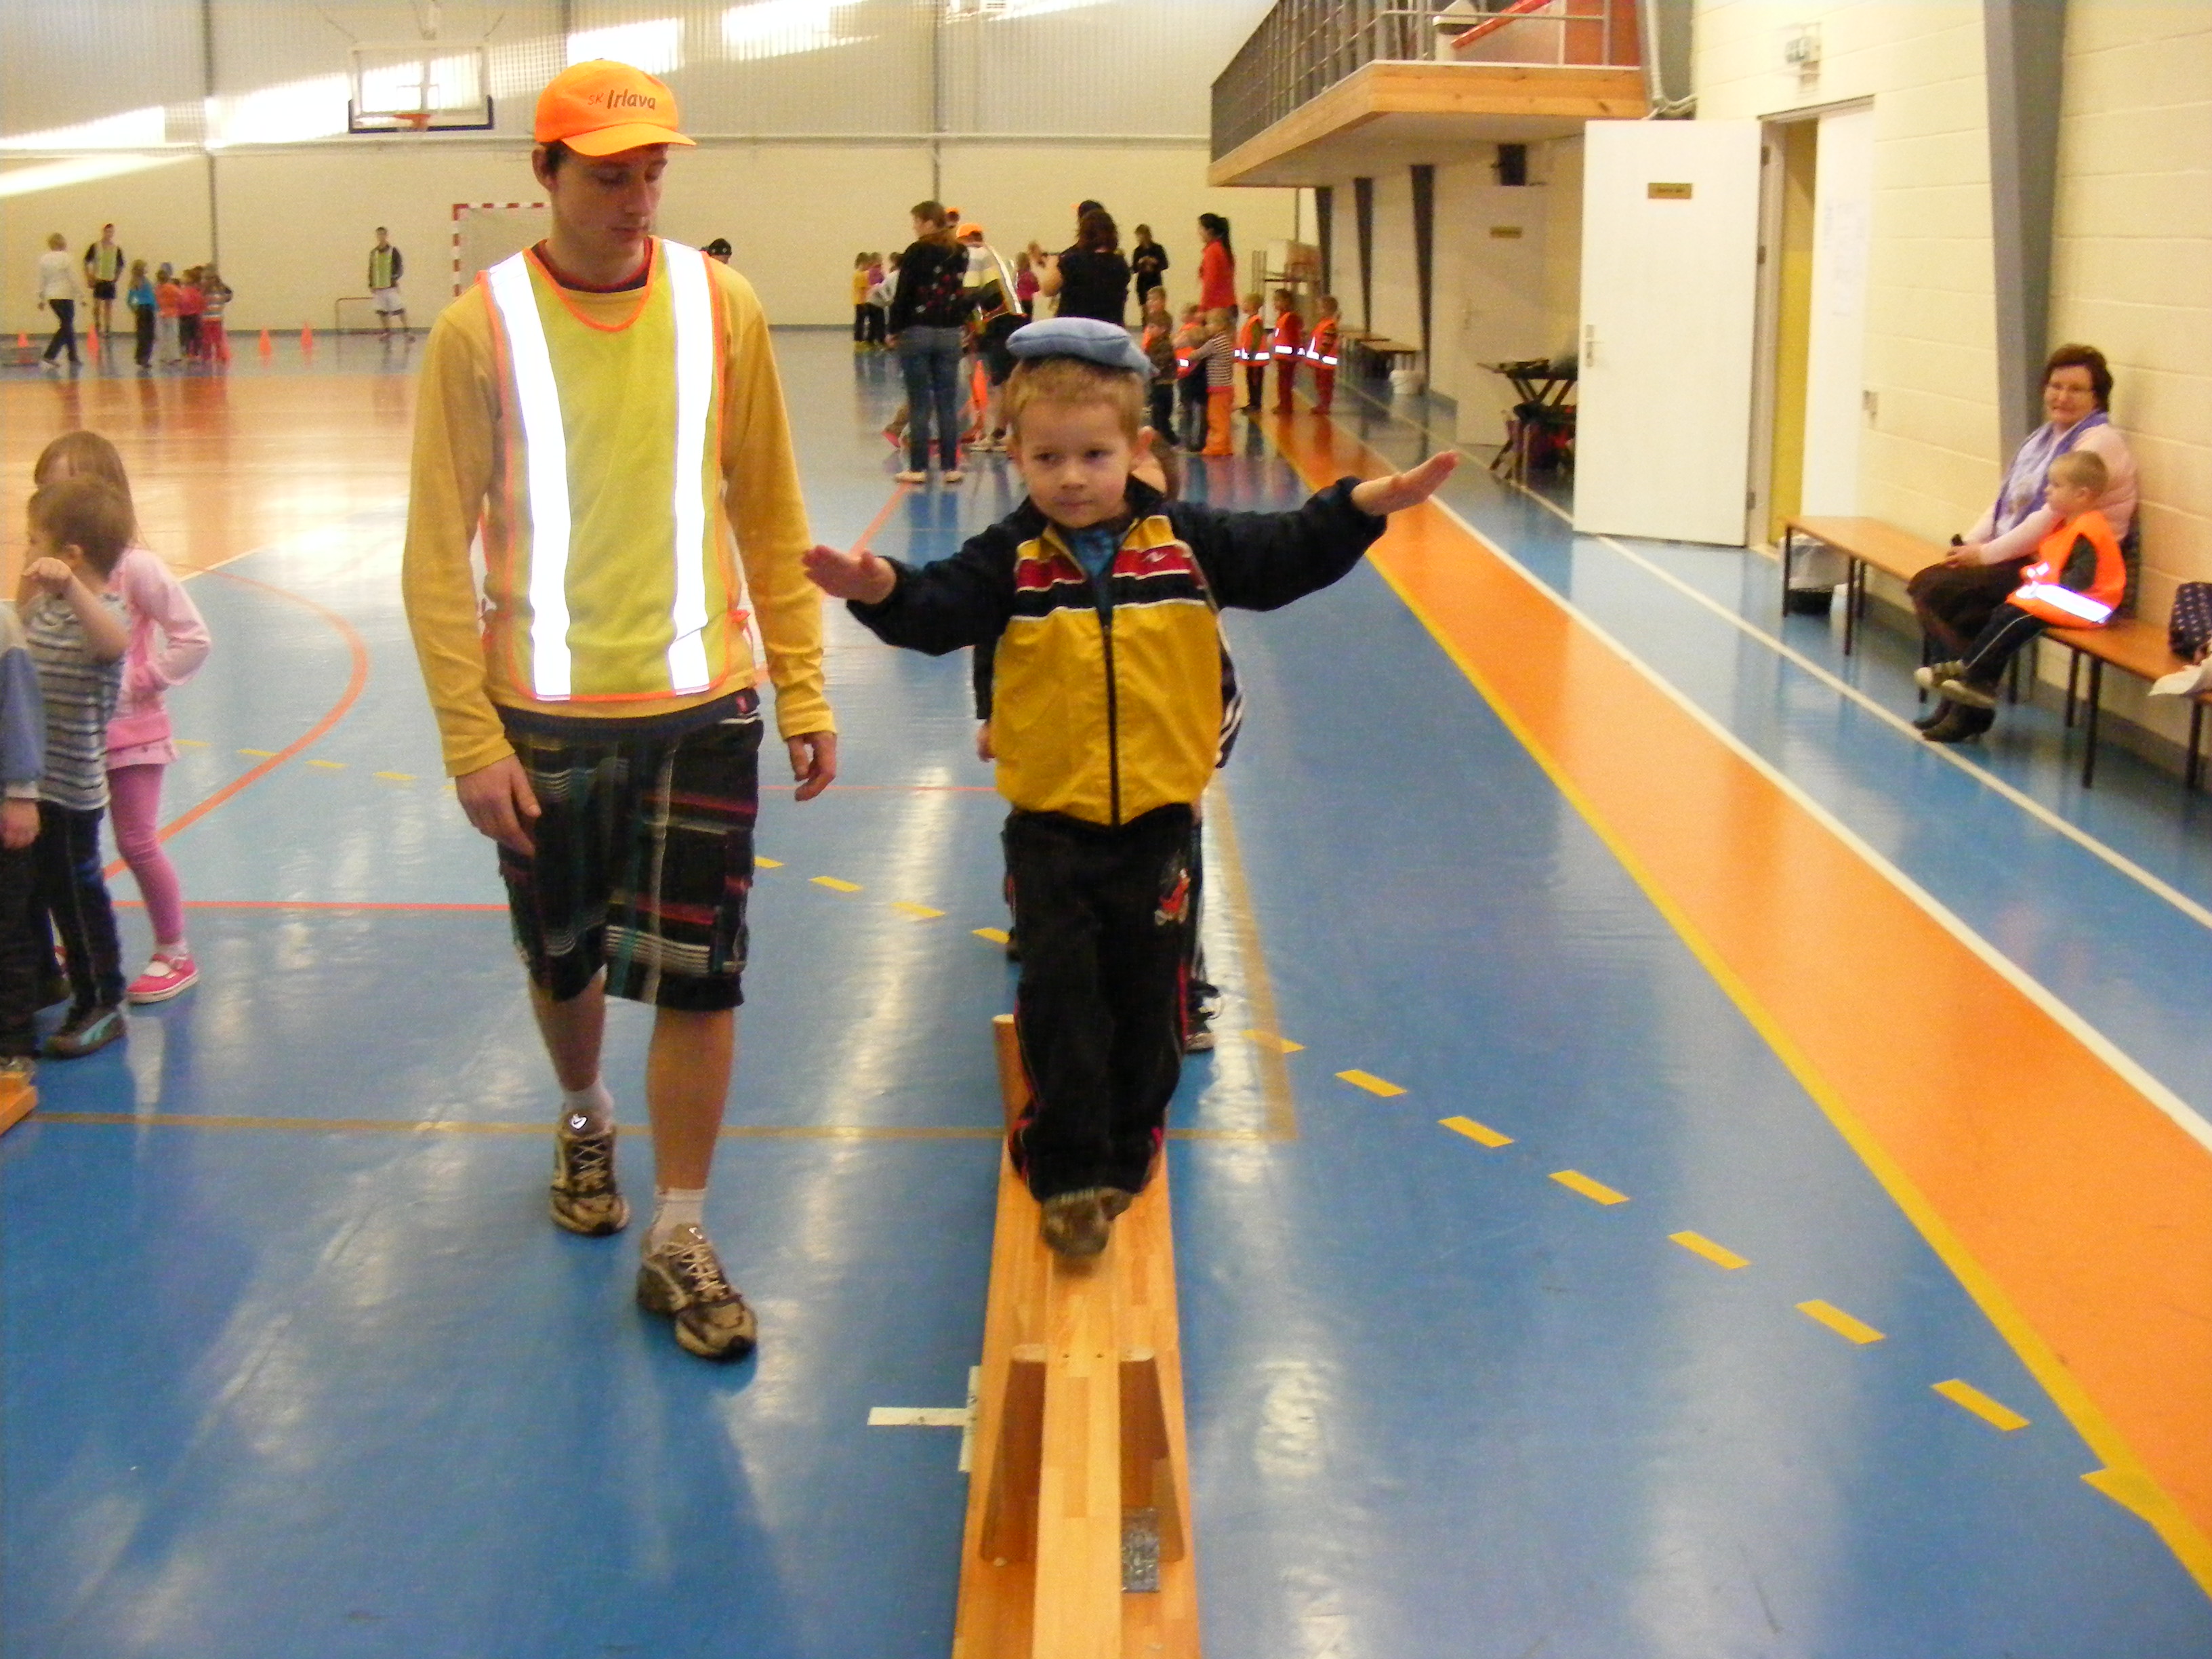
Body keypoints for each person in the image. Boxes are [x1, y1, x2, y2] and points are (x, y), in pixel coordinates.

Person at [801, 316, 1456, 1257]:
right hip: (1051, 829)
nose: (1072, 478)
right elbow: (939, 608)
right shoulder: (1012, 559)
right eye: (1048, 458)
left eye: (1094, 455)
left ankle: (1129, 1145)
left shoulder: (1187, 542)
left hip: (1158, 826)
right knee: (1063, 1000)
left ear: (1137, 449)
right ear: (1016, 455)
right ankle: (1069, 1170)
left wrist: (1362, 505)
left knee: (1152, 1005)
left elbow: (1284, 552)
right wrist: (878, 587)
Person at [401, 59, 839, 1363]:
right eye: (606, 176)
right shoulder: (479, 328)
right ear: (543, 174)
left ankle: (681, 1229)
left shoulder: (722, 305)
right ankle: (586, 1112)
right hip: (542, 717)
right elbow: (434, 553)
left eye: (651, 172)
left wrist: (802, 680)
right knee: (565, 959)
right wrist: (469, 738)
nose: (636, 197)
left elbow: (770, 506)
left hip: (703, 703)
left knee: (702, 976)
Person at [33, 432, 212, 1002]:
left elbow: (193, 639)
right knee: (61, 852)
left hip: (131, 735)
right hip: (68, 737)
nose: (50, 501)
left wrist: (141, 681)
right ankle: (75, 950)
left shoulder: (138, 568)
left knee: (136, 841)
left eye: (62, 488)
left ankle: (174, 950)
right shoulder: (48, 568)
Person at [1898, 344, 2136, 661]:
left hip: (2070, 578)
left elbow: (2047, 518)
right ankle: (1962, 677)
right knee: (1935, 587)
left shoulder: (2099, 443)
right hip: (2034, 559)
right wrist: (1969, 543)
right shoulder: (2042, 439)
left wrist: (1984, 555)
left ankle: (1967, 677)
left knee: (1939, 591)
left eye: (2076, 389)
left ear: (2097, 398)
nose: (2062, 397)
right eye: (2056, 386)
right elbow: (2004, 502)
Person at [18, 474, 131, 1059]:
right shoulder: (44, 612)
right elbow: (17, 630)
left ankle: (102, 999)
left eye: (34, 541)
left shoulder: (103, 613)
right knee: (33, 893)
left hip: (70, 794)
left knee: (77, 900)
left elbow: (114, 646)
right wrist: (39, 579)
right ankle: (48, 978)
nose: (27, 550)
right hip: (32, 787)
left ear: (72, 555)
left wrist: (71, 587)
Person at [1914, 451, 2125, 745]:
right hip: (2065, 599)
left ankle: (1971, 671)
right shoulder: (2069, 526)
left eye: (2056, 485)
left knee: (2020, 617)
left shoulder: (2088, 530)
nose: (2047, 490)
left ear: (2082, 495)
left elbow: (2080, 581)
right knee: (2007, 609)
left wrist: (2044, 586)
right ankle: (1973, 672)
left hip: (2088, 606)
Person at [887, 199, 973, 486]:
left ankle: (919, 467)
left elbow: (904, 293)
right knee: (947, 402)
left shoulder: (917, 251)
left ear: (927, 222)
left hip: (918, 330)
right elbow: (959, 292)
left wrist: (894, 329)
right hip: (949, 332)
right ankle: (951, 466)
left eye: (916, 221)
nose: (914, 227)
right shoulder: (959, 252)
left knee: (920, 401)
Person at [0, 586, 43, 1072]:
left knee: (6, 929)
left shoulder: (3, 626)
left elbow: (20, 713)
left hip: (3, 807)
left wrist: (21, 794)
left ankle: (12, 1044)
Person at [961, 224, 1026, 451]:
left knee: (1001, 382)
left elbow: (968, 295)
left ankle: (999, 435)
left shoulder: (973, 255)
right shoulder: (1000, 256)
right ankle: (1007, 433)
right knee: (1010, 379)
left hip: (1000, 321)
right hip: (1017, 318)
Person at [1031, 208, 1130, 325]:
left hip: (1074, 328)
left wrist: (1051, 264)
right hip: (1109, 329)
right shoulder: (1120, 265)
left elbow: (1048, 290)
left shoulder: (1072, 262)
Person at [1189, 308, 1236, 457]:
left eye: (1210, 323)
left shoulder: (1215, 343)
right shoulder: (1227, 341)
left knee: (1216, 419)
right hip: (1227, 388)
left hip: (1218, 388)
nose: (1207, 327)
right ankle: (1225, 446)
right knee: (1224, 419)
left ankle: (1216, 447)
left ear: (1220, 326)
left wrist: (1187, 352)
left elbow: (1196, 355)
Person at [36, 232, 81, 371]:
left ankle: (73, 356)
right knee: (67, 325)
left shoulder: (44, 259)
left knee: (67, 324)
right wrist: (81, 295)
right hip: (65, 295)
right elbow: (73, 278)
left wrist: (41, 298)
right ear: (62, 243)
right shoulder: (66, 258)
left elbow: (42, 280)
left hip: (52, 297)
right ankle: (50, 355)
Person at [1139, 290, 1177, 443]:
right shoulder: (1153, 342)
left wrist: (1150, 368)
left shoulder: (1164, 345)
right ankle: (1159, 437)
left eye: (1153, 327)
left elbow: (1161, 362)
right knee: (1156, 413)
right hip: (1155, 381)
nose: (1149, 329)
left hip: (1163, 383)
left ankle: (1168, 438)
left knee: (1161, 414)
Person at [1172, 304, 1206, 451]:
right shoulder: (1201, 332)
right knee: (1201, 412)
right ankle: (1200, 442)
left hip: (1185, 375)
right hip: (1196, 376)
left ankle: (1188, 442)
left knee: (1188, 412)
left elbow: (1175, 345)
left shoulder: (1188, 331)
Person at [82, 224, 124, 342]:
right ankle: (97, 326)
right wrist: (89, 276)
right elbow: (86, 261)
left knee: (108, 306)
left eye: (111, 232)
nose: (109, 234)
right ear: (103, 232)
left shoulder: (116, 249)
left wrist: (116, 278)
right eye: (107, 232)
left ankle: (108, 329)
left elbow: (121, 265)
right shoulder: (95, 247)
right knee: (97, 305)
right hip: (98, 280)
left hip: (110, 280)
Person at [1303, 295, 1342, 415]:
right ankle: (1321, 403)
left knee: (1325, 385)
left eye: (1319, 308)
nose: (1317, 311)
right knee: (1320, 384)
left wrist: (1321, 354)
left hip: (1325, 363)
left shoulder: (1329, 326)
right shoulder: (1322, 324)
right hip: (1319, 363)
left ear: (1327, 310)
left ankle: (1325, 405)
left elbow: (1327, 343)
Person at [1269, 289, 1305, 415]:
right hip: (1282, 356)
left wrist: (1293, 354)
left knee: (1285, 382)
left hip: (1288, 357)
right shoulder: (1282, 317)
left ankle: (1286, 406)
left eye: (1278, 300)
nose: (1275, 303)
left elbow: (1293, 338)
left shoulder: (1290, 318)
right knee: (1282, 382)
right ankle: (1283, 404)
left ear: (1287, 301)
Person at [1195, 213, 1236, 314]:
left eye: (1201, 228)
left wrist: (1203, 307)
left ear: (1210, 231)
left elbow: (1211, 281)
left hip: (1216, 307)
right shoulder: (1223, 249)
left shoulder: (1213, 251)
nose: (1199, 232)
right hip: (1228, 304)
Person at [369, 228, 407, 335]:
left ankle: (407, 330)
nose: (380, 237)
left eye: (382, 235)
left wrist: (394, 278)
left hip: (391, 287)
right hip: (378, 286)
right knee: (382, 311)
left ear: (386, 235)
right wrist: (371, 283)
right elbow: (371, 268)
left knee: (399, 308)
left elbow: (399, 267)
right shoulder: (374, 253)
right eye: (378, 235)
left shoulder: (393, 251)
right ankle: (387, 331)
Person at [1235, 291, 1267, 414]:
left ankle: (1256, 404)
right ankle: (1252, 402)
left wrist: (1251, 353)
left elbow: (1256, 339)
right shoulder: (1250, 321)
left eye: (1245, 303)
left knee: (1255, 382)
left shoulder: (1255, 321)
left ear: (1252, 305)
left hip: (1255, 360)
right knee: (1251, 381)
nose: (1243, 305)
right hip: (1251, 360)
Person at [197, 266, 232, 364]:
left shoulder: (218, 289)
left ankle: (215, 357)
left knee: (214, 340)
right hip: (210, 319)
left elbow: (228, 296)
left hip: (213, 319)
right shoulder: (205, 291)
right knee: (210, 340)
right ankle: (211, 357)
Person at [125, 260, 156, 371]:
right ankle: (145, 358)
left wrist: (134, 308)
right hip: (148, 309)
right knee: (149, 335)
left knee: (141, 334)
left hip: (140, 309)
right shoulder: (145, 282)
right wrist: (156, 307)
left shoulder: (134, 282)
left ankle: (140, 357)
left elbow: (131, 298)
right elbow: (151, 296)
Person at [1130, 224, 1169, 309]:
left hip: (1155, 281)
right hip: (1142, 282)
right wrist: (1140, 263)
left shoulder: (1158, 249)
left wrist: (1155, 262)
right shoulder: (1138, 251)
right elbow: (1133, 269)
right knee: (1144, 308)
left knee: (1157, 307)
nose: (1140, 238)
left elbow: (1165, 264)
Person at [154, 264, 182, 364]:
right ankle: (174, 356)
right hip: (172, 313)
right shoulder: (172, 288)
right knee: (173, 335)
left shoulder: (157, 289)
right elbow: (181, 296)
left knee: (162, 336)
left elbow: (156, 301)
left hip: (161, 313)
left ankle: (163, 356)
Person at [175, 268, 205, 362]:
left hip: (193, 315)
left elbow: (200, 303)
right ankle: (189, 353)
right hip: (184, 316)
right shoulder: (182, 291)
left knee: (194, 335)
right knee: (186, 335)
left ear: (190, 279)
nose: (182, 278)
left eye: (185, 276)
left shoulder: (192, 291)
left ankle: (194, 353)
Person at [851, 251, 874, 348]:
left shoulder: (861, 274)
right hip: (861, 301)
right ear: (862, 263)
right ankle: (859, 339)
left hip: (861, 301)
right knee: (860, 321)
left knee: (861, 320)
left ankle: (860, 338)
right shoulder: (860, 275)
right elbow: (863, 288)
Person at [1013, 249, 1039, 318]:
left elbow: (1012, 286)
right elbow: (1037, 288)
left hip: (1019, 300)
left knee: (1019, 321)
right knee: (1028, 321)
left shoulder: (1016, 274)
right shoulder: (1031, 276)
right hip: (1028, 301)